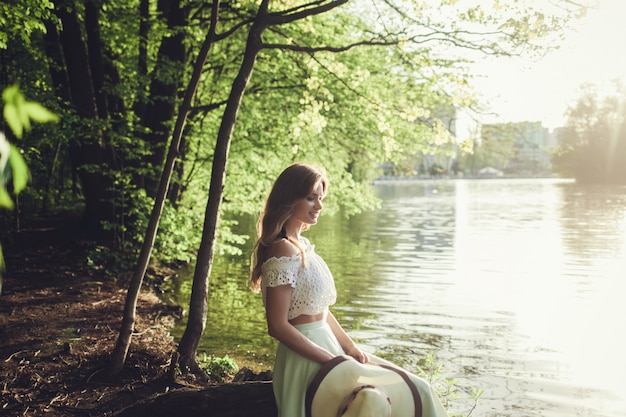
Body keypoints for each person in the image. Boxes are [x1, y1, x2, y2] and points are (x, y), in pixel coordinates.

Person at [250, 163, 449, 417]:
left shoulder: (303, 246)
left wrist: (350, 347)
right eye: (311, 198)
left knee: (418, 389)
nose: (319, 206)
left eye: (320, 198)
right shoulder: (283, 250)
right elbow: (277, 326)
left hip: (330, 349)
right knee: (382, 399)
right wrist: (330, 360)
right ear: (289, 199)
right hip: (306, 360)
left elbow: (320, 311)